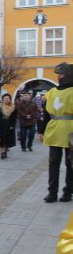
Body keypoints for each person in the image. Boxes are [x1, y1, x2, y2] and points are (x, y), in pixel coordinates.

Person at [38, 62, 73, 203]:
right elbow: (46, 114)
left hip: (71, 130)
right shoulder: (52, 92)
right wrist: (41, 130)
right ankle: (52, 192)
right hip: (54, 129)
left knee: (70, 162)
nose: (59, 77)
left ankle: (68, 192)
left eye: (62, 74)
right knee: (53, 162)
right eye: (58, 74)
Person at [0, 93, 17, 160]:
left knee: (8, 138)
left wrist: (12, 125)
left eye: (7, 98)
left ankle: (5, 150)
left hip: (9, 125)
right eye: (5, 98)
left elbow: (14, 117)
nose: (6, 99)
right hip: (1, 124)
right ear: (2, 99)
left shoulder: (13, 107)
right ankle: (2, 152)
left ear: (10, 99)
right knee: (1, 138)